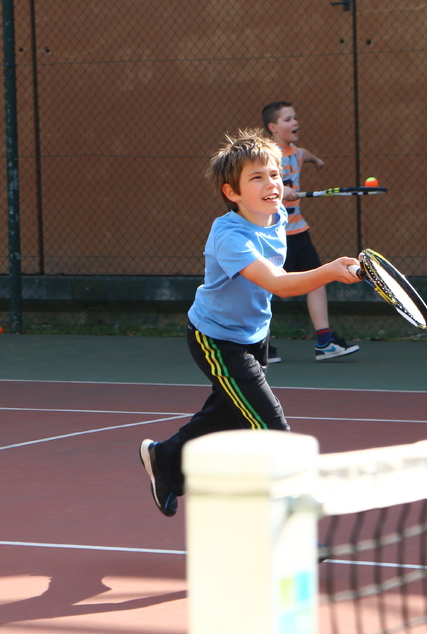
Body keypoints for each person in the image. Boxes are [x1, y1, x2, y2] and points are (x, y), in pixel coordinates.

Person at [138, 129, 361, 517]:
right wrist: (329, 271)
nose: (271, 183)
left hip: (255, 334)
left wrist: (277, 199)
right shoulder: (228, 236)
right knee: (272, 429)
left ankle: (165, 460)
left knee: (227, 413)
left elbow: (278, 264)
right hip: (217, 341)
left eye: (274, 174)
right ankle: (292, 522)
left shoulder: (277, 216)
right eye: (257, 178)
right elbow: (278, 283)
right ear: (232, 193)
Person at [261, 100, 360, 363]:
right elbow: (261, 183)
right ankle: (258, 344)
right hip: (273, 235)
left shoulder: (294, 151)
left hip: (299, 231)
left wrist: (317, 160)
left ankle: (324, 342)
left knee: (317, 280)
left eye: (295, 117)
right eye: (287, 119)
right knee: (264, 290)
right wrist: (281, 189)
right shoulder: (268, 156)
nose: (295, 122)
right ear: (272, 127)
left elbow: (302, 153)